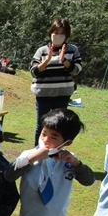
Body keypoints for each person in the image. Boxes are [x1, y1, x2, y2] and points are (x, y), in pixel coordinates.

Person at [4, 108, 94, 216]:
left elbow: (89, 180)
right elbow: (9, 175)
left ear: (67, 142)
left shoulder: (69, 162)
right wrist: (33, 158)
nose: (46, 140)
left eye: (53, 137)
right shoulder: (29, 156)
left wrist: (76, 163)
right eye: (44, 134)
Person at [30, 17, 82, 146]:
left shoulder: (72, 50)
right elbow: (34, 71)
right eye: (55, 32)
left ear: (66, 35)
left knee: (59, 126)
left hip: (62, 95)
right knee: (41, 125)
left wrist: (64, 60)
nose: (57, 36)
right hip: (43, 95)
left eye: (61, 33)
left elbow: (76, 70)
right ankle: (37, 151)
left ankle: (56, 150)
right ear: (50, 33)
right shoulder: (42, 50)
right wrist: (46, 60)